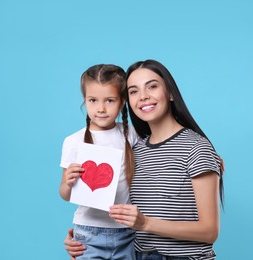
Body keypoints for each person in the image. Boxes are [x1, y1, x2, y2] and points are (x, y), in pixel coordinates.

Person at [65, 59, 224, 260]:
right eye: (133, 91)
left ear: (171, 93)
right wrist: (85, 238)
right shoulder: (134, 149)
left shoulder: (196, 148)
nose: (143, 97)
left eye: (152, 86)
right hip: (136, 254)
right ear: (127, 101)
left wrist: (146, 223)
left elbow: (210, 232)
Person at [59, 64, 138, 259]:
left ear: (122, 102)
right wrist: (68, 182)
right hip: (88, 232)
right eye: (93, 100)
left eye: (110, 101)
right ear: (84, 101)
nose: (101, 109)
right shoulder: (74, 141)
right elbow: (64, 195)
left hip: (127, 232)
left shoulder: (131, 134)